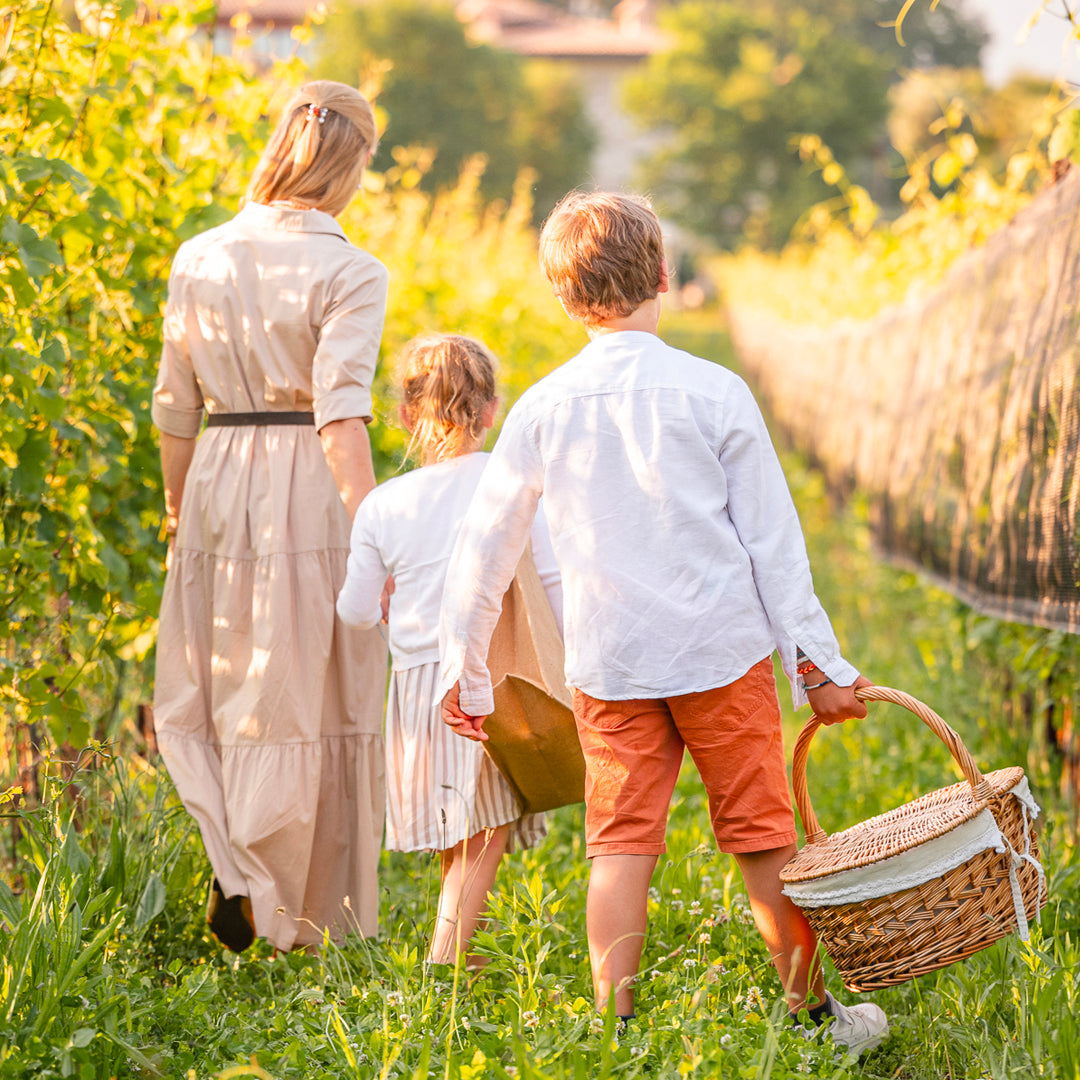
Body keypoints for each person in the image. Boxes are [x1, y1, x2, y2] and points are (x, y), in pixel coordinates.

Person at [438, 191, 889, 1054]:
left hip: (609, 661)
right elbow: (773, 544)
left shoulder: (539, 407)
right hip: (721, 653)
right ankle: (813, 1017)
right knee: (763, 839)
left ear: (564, 301)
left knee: (619, 844)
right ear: (664, 276)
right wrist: (817, 665)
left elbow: (483, 549)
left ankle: (616, 1034)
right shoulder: (715, 393)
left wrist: (467, 668)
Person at [152, 81, 389, 954]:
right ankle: (282, 899)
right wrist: (374, 526)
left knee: (220, 681)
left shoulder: (199, 256)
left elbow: (174, 403)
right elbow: (340, 410)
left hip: (218, 467)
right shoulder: (351, 270)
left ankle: (237, 864)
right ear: (352, 162)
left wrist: (179, 500)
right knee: (304, 687)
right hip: (302, 480)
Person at [336, 333, 563, 965]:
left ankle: (466, 958)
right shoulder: (510, 481)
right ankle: (444, 964)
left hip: (415, 689)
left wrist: (384, 594)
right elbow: (547, 574)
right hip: (490, 677)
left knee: (460, 836)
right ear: (492, 411)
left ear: (407, 415)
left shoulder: (383, 505)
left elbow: (354, 611)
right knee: (481, 834)